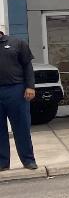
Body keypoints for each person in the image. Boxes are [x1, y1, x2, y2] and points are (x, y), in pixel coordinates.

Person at [0, 28, 37, 170]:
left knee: (21, 127)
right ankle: (2, 163)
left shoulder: (17, 43)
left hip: (16, 90)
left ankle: (28, 160)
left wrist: (30, 87)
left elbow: (28, 66)